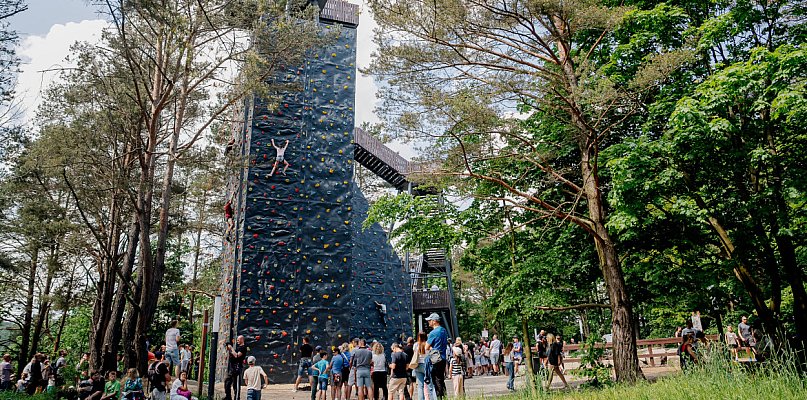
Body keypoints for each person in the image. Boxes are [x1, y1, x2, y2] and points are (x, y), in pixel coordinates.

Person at [424, 313, 448, 400]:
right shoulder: (443, 330)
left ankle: (439, 397)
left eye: (430, 320)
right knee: (441, 379)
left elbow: (426, 347)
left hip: (435, 358)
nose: (428, 322)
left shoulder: (433, 333)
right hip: (443, 357)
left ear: (434, 321)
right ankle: (444, 397)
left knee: (436, 381)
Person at [409, 332, 436, 400]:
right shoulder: (427, 344)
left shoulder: (415, 345)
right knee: (430, 385)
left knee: (420, 386)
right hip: (426, 365)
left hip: (418, 365)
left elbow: (414, 353)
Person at [225, 336, 247, 400]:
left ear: (242, 340)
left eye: (238, 340)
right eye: (237, 340)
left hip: (237, 368)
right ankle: (228, 397)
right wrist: (228, 348)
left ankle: (237, 398)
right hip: (232, 368)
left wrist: (231, 348)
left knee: (236, 385)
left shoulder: (243, 348)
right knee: (227, 382)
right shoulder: (237, 347)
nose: (237, 341)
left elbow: (236, 355)